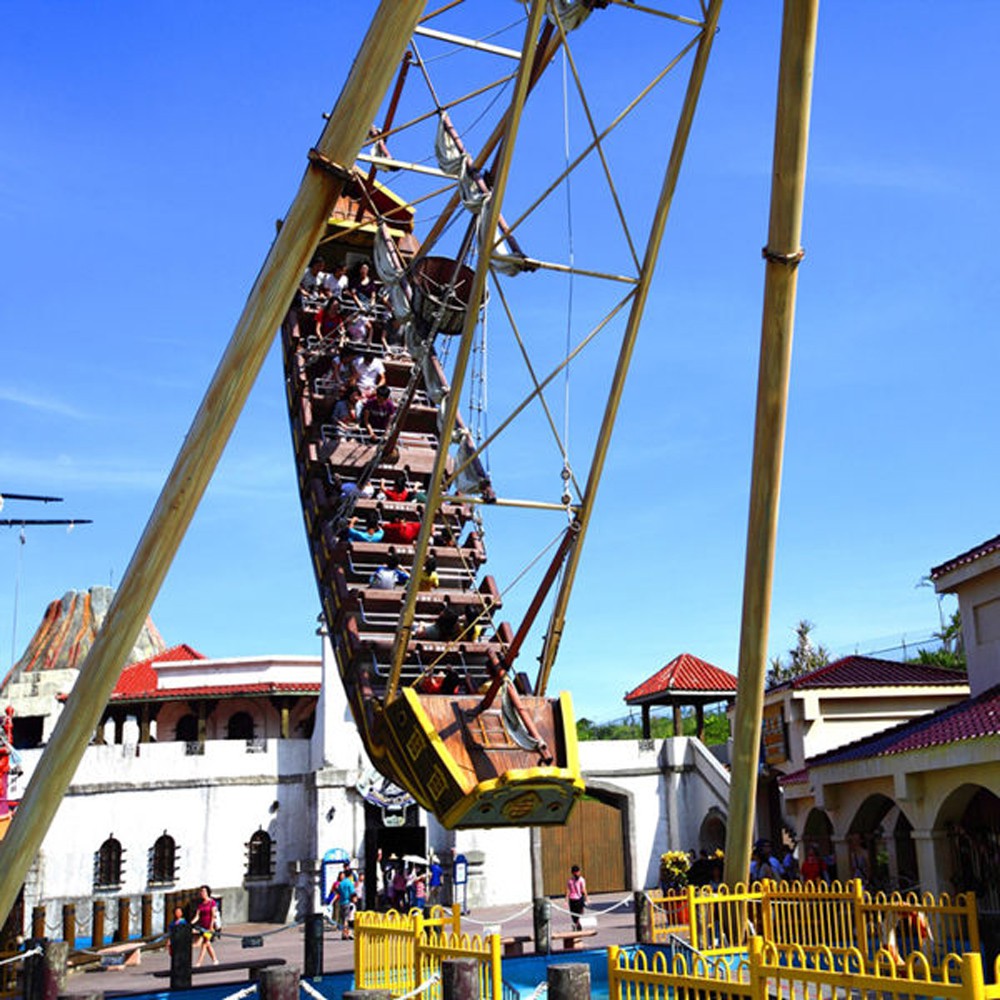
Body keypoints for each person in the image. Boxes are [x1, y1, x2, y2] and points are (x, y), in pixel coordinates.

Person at [191, 884, 220, 966]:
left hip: (210, 927)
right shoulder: (200, 904)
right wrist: (191, 923)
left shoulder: (212, 902)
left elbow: (213, 915)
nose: (202, 893)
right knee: (207, 944)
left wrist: (211, 926)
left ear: (208, 892)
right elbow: (197, 916)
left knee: (205, 943)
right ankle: (215, 959)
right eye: (201, 892)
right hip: (202, 927)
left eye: (204, 891)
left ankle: (199, 962)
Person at [566, 864, 588, 931]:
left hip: (578, 898)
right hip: (573, 899)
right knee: (574, 914)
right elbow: (568, 890)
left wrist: (586, 898)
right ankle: (576, 924)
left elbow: (583, 889)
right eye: (575, 873)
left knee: (579, 912)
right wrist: (566, 900)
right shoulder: (570, 881)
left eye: (578, 872)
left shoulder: (581, 880)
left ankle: (577, 924)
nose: (577, 874)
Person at [338, 867, 356, 939]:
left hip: (341, 902)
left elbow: (338, 891)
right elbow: (352, 893)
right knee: (347, 919)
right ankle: (345, 934)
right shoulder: (349, 883)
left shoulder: (341, 883)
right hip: (348, 902)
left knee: (343, 919)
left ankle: (345, 933)